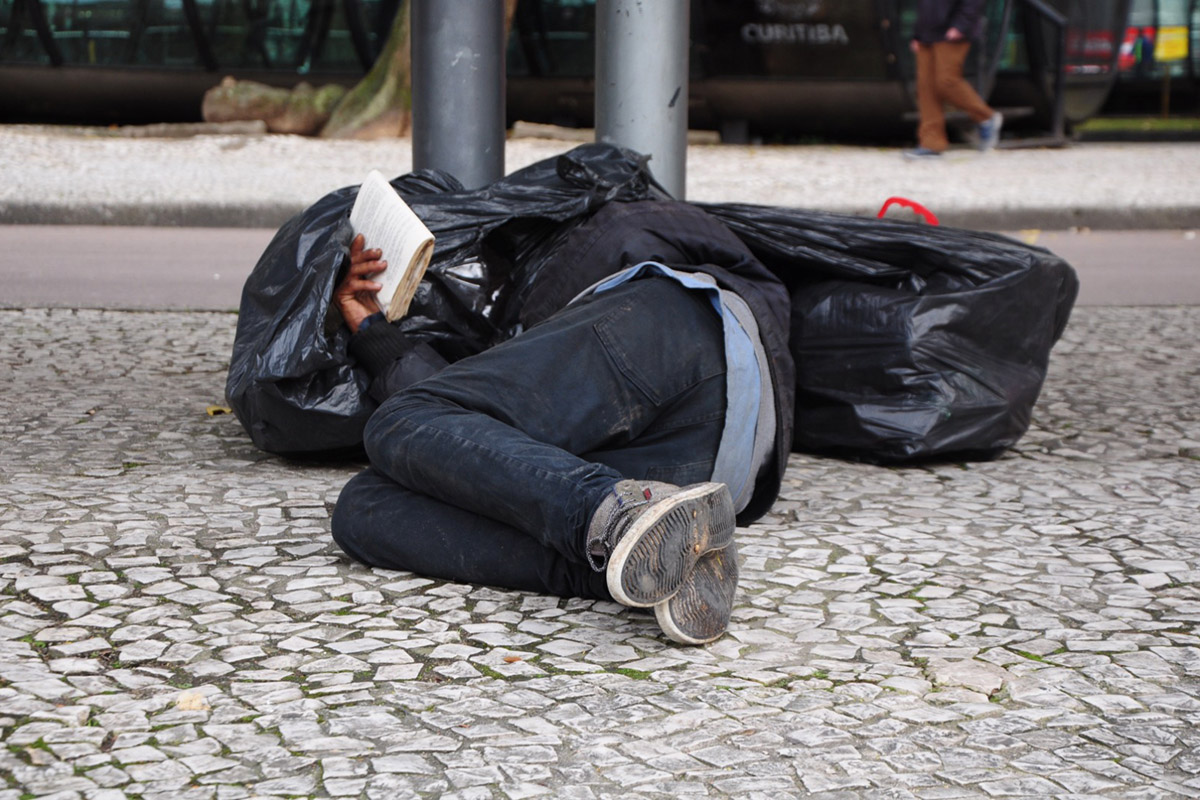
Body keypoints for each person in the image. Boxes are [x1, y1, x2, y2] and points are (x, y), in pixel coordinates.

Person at [328, 199, 794, 645]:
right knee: (362, 508)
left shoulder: (536, 260)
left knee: (401, 418)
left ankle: (616, 515)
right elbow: (457, 437)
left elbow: (432, 415)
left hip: (682, 334)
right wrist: (372, 330)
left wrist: (376, 335)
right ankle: (652, 565)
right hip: (719, 474)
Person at [904, 0, 1003, 160]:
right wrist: (917, 34)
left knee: (946, 82)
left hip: (952, 31)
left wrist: (961, 25)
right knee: (926, 89)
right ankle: (931, 144)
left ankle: (986, 118)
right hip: (926, 34)